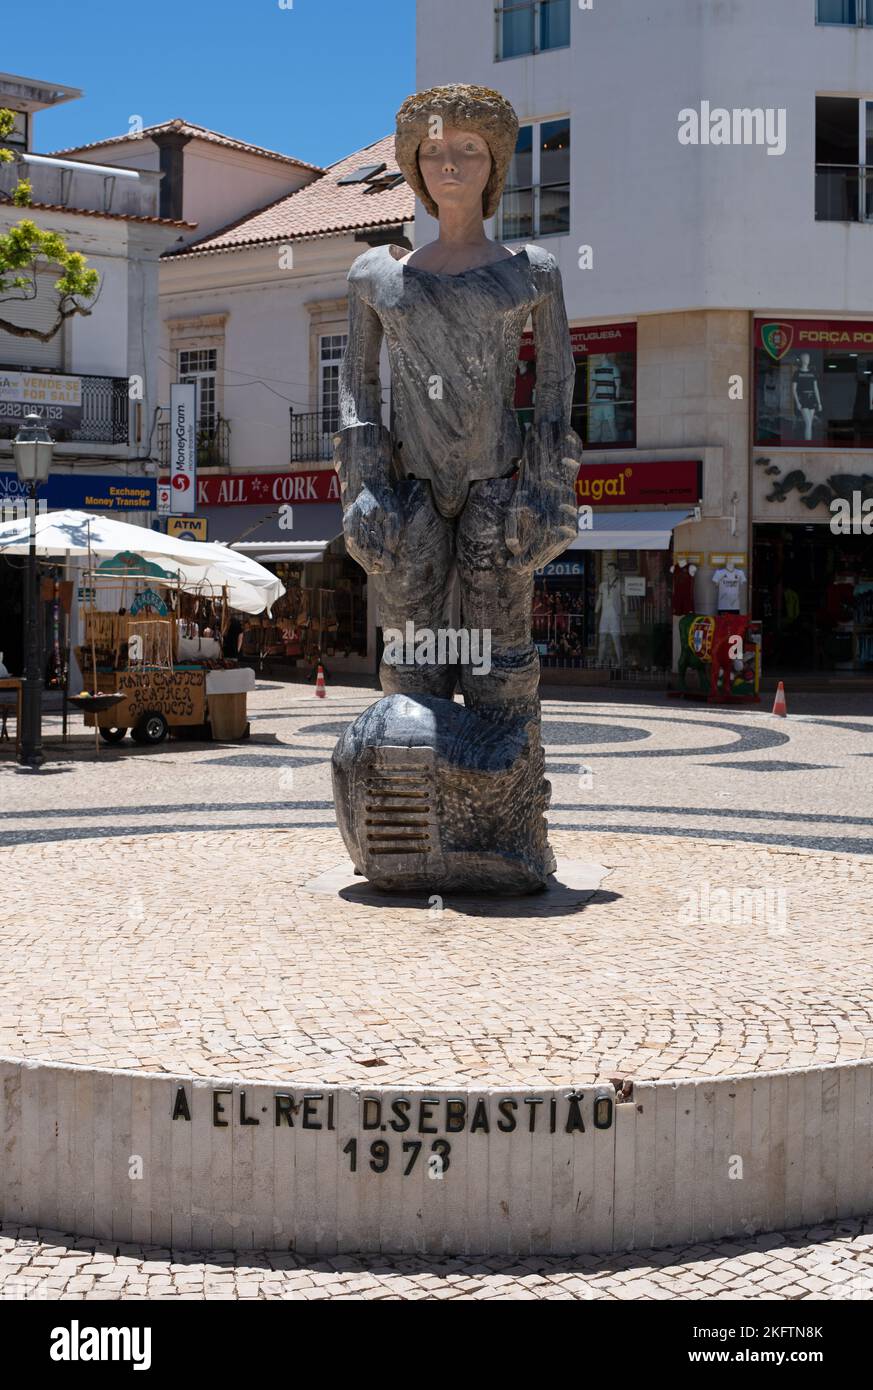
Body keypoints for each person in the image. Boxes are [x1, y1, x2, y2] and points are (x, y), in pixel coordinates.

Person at [334, 83, 580, 727]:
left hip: (496, 484)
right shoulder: (376, 276)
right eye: (434, 149)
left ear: (495, 163)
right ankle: (415, 780)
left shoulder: (532, 270)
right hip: (409, 483)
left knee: (501, 650)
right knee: (412, 661)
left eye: (469, 149)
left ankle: (504, 778)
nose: (449, 164)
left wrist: (549, 487)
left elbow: (556, 380)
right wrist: (364, 483)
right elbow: (357, 382)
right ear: (414, 163)